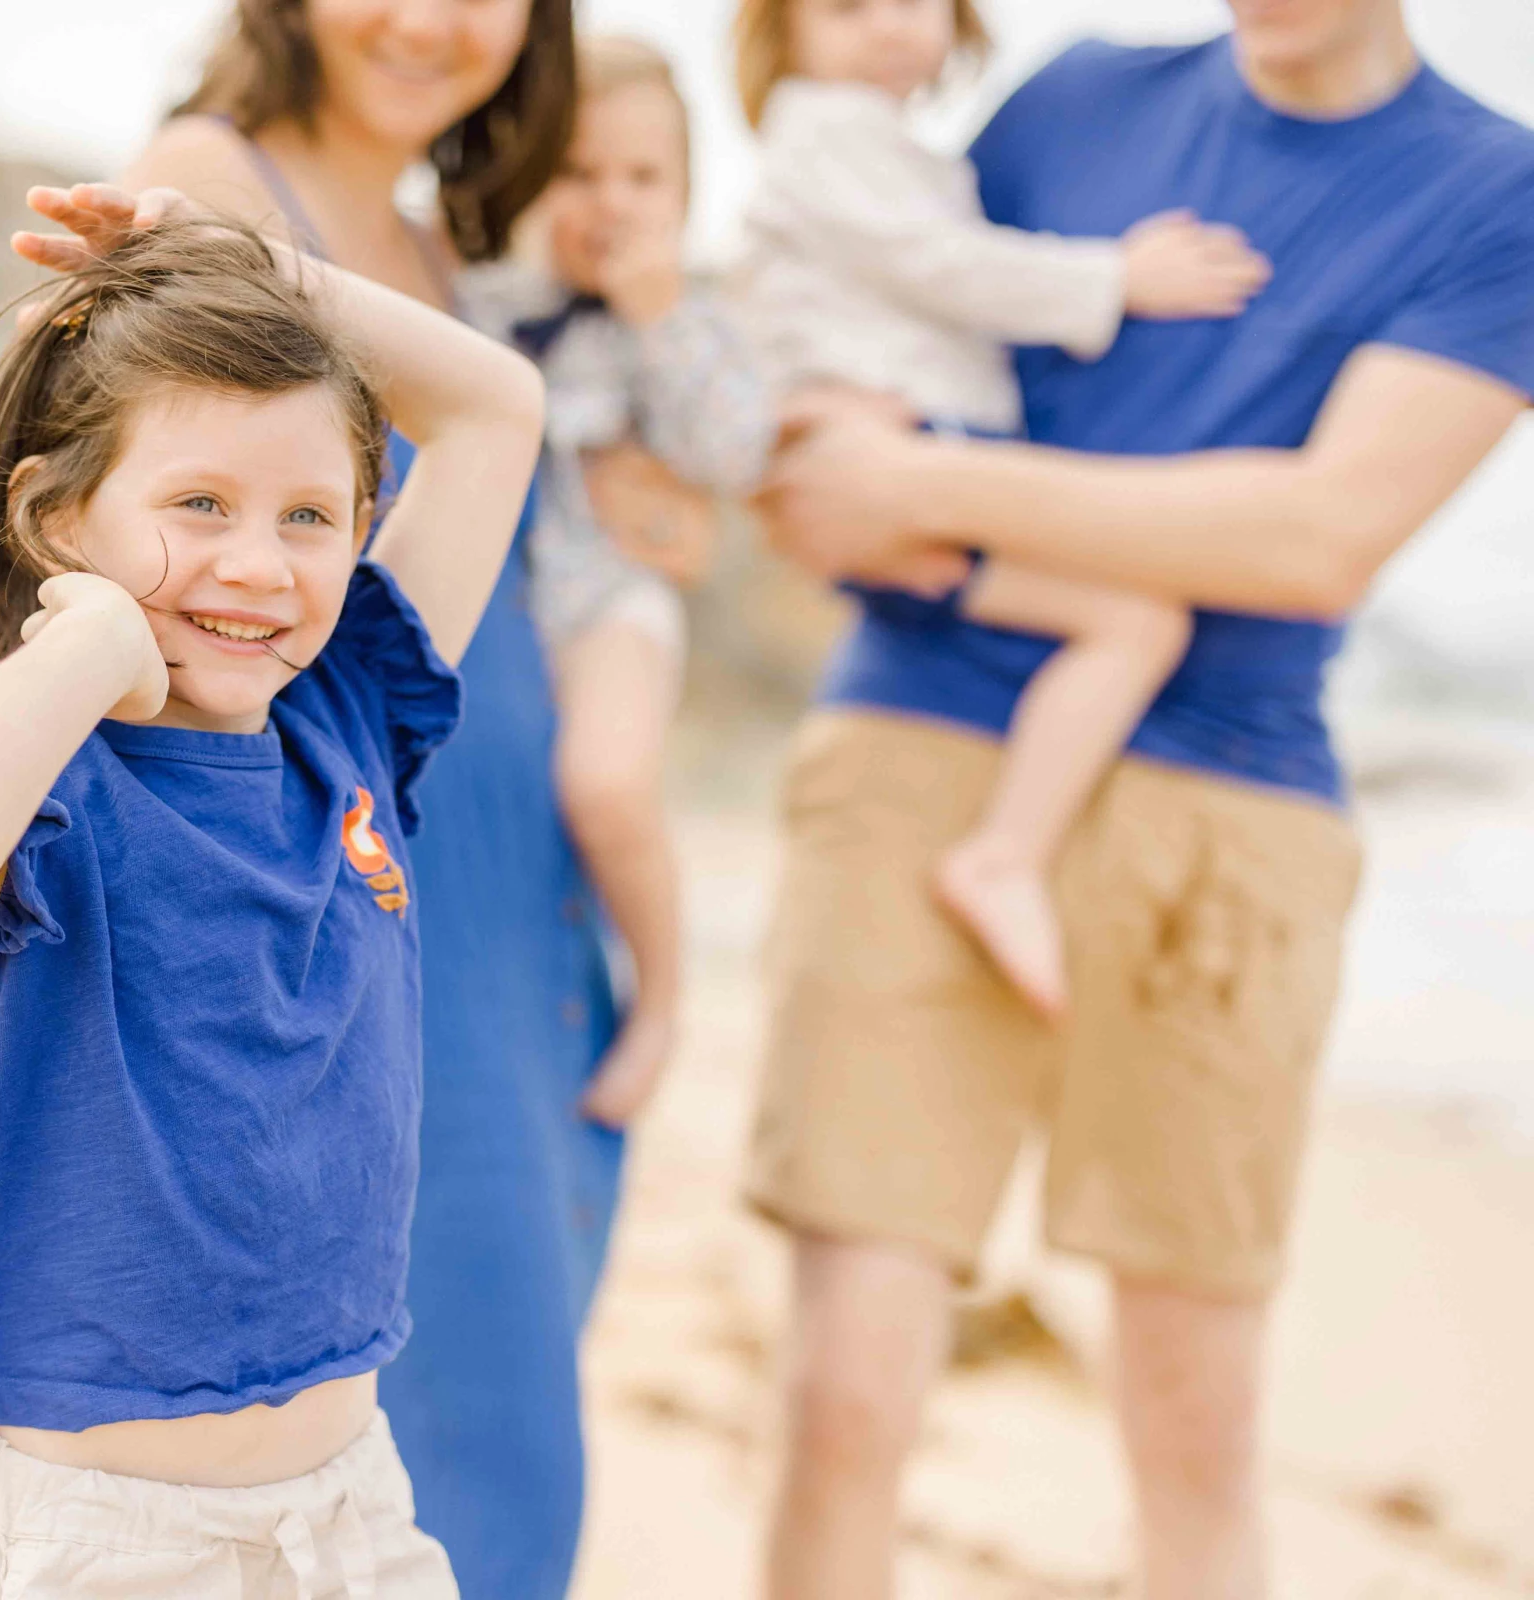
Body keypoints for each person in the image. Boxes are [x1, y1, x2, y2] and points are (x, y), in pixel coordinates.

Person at [743, 0, 1534, 1591]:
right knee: (842, 1400)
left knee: (1193, 1434)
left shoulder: (1494, 191)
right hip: (921, 739)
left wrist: (926, 487)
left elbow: (1316, 539)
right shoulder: (1074, 97)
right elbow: (869, 357)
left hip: (1233, 794)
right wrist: (826, 463)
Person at [0, 185, 545, 1598]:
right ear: (58, 516)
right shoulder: (30, 788)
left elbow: (499, 405)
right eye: (197, 504)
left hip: (351, 1515)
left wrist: (244, 264)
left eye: (312, 516)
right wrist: (84, 650)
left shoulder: (347, 723)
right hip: (102, 1541)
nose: (257, 564)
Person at [122, 6, 708, 1592]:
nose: (433, 19)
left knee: (506, 1377)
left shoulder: (463, 246)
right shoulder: (209, 174)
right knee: (411, 1396)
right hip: (352, 860)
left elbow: (629, 508)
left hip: (521, 872)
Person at [733, 0, 1273, 1017]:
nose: (889, 26)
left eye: (914, 2)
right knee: (1139, 617)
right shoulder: (825, 130)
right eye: (848, 8)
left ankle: (1007, 852)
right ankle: (1004, 855)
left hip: (913, 454)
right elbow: (937, 267)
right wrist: (1115, 276)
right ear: (782, 33)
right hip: (911, 457)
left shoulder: (875, 139)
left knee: (1135, 618)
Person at [457, 34, 775, 1122]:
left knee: (606, 784)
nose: (613, 204)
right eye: (581, 173)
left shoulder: (690, 321)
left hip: (609, 601)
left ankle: (664, 1000)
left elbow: (735, 452)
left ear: (688, 194)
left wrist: (658, 316)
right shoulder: (480, 295)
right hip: (485, 600)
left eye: (645, 179)